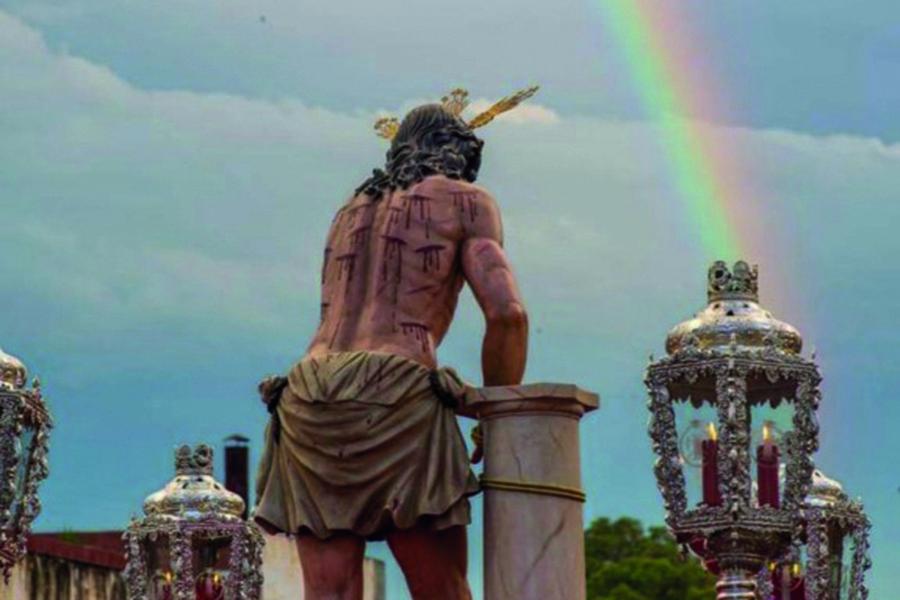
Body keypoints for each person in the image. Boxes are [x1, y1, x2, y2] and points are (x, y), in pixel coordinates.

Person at [255, 88, 535, 600]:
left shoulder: (348, 211)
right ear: (458, 152)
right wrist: (498, 416)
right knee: (441, 589)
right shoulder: (468, 202)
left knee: (330, 592)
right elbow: (508, 314)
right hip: (395, 390)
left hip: (306, 393)